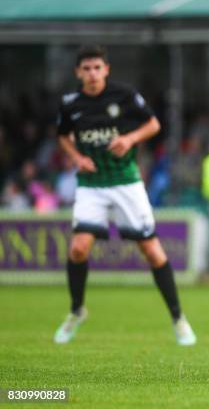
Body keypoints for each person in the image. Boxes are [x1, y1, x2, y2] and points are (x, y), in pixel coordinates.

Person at [53, 45, 196, 346]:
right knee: (78, 248)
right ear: (78, 72)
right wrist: (77, 157)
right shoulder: (70, 103)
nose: (92, 74)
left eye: (97, 68)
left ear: (106, 69)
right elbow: (63, 136)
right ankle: (77, 311)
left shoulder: (125, 95)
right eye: (86, 69)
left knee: (152, 252)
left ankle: (178, 317)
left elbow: (154, 124)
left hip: (125, 182)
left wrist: (129, 138)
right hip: (91, 184)